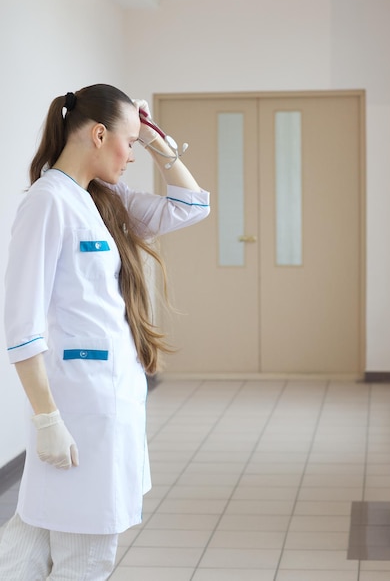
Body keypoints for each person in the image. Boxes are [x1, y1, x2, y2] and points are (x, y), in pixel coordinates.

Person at [0, 84, 210, 580]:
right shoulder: (49, 203)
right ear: (98, 134)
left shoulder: (100, 199)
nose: (134, 155)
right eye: (131, 143)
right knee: (83, 559)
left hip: (102, 403)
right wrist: (47, 419)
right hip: (78, 413)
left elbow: (191, 206)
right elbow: (22, 326)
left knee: (27, 548)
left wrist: (156, 137)